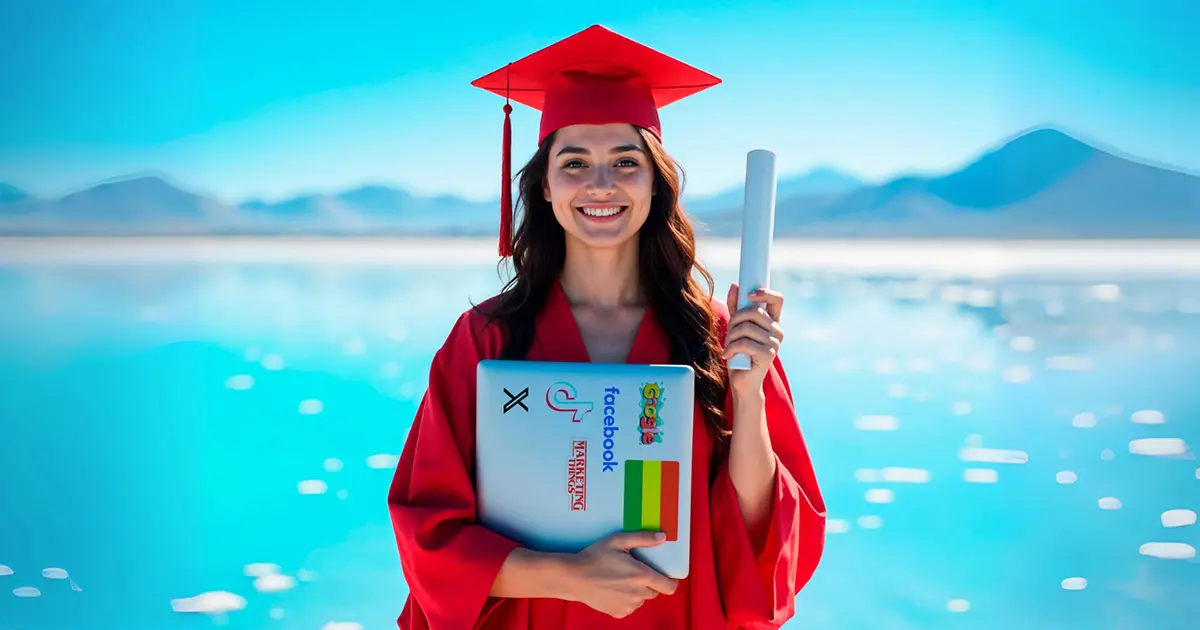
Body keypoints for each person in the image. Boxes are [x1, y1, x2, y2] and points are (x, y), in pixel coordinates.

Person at [387, 24, 826, 630]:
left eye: (626, 161)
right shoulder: (486, 338)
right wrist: (567, 575)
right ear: (543, 185)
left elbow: (758, 537)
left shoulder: (714, 332)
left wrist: (747, 399)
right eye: (575, 162)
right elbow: (428, 534)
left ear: (655, 182)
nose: (601, 184)